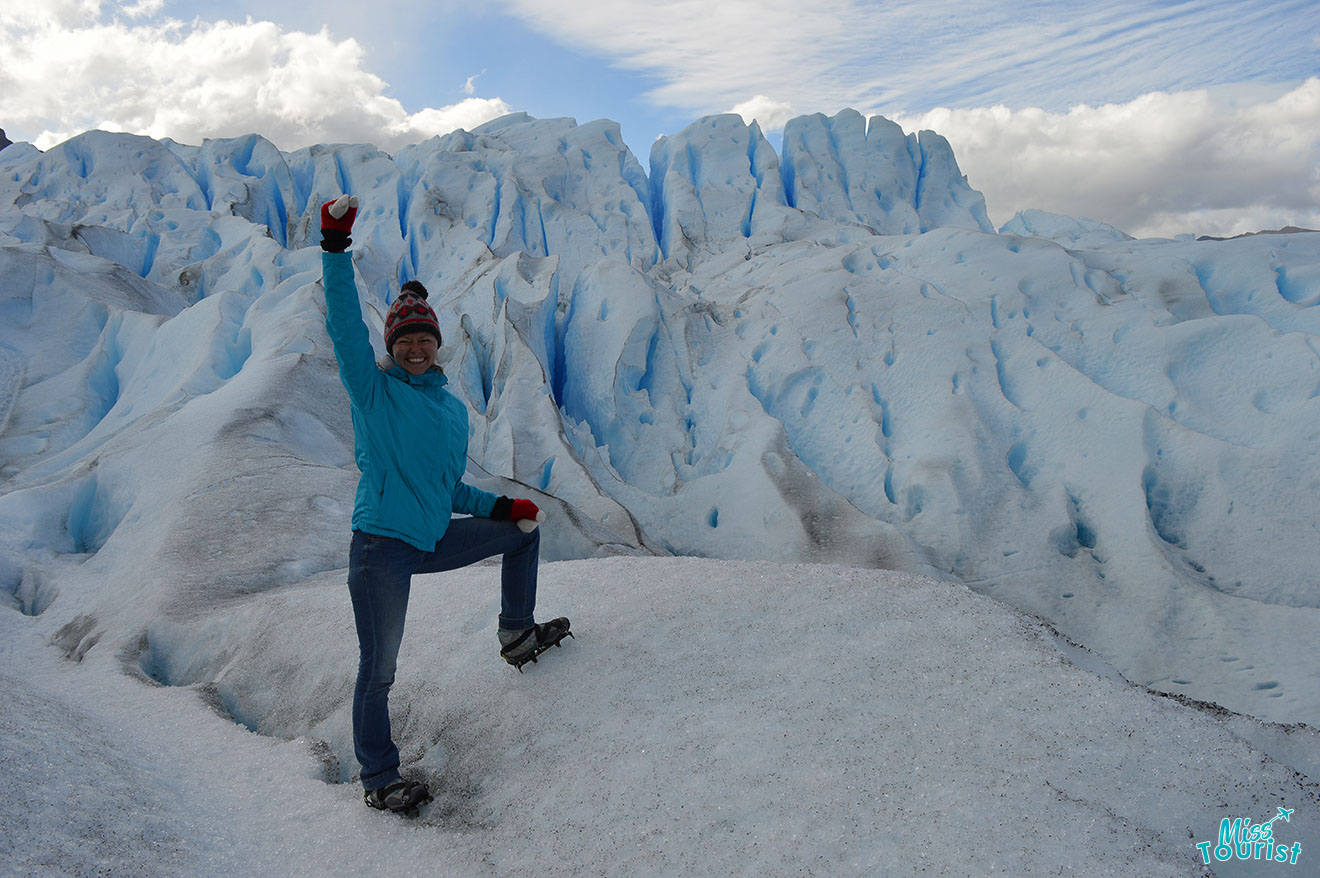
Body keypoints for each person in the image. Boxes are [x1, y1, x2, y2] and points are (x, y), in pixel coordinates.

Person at [319, 194, 571, 814]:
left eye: (424, 338)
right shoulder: (374, 393)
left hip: (430, 538)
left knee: (526, 534)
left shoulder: (449, 411)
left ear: (437, 343)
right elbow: (346, 329)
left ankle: (516, 634)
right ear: (393, 345)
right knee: (378, 670)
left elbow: (447, 490)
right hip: (382, 549)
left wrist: (500, 510)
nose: (415, 348)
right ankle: (379, 778)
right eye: (405, 340)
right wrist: (333, 246)